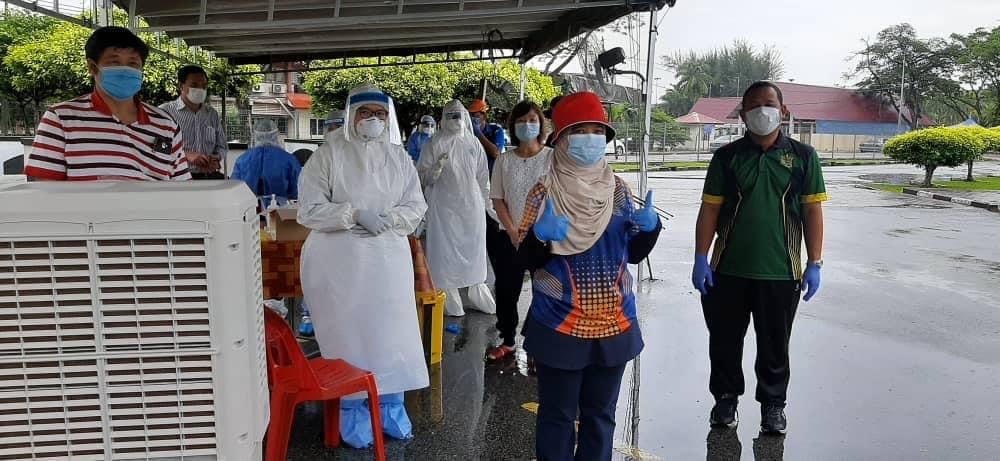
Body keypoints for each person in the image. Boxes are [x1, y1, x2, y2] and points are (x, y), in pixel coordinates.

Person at [514, 91, 662, 460]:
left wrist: (650, 229)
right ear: (561, 139)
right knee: (557, 416)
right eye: (581, 131)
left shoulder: (618, 191)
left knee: (600, 417)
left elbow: (633, 254)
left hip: (614, 324)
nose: (591, 139)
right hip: (559, 324)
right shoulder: (544, 192)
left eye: (598, 132)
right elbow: (525, 260)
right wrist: (539, 237)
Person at [297, 84, 429, 448]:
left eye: (380, 113)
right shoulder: (328, 155)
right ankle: (352, 408)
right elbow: (308, 209)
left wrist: (390, 220)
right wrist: (352, 214)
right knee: (350, 336)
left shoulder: (399, 157)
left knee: (391, 333)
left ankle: (390, 405)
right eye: (366, 113)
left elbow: (416, 204)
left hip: (387, 262)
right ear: (351, 115)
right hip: (341, 264)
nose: (373, 120)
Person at [692, 81, 827, 435]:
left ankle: (773, 406)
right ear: (743, 114)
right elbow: (710, 209)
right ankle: (725, 400)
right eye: (753, 105)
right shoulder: (727, 157)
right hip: (727, 270)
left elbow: (812, 212)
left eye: (768, 103)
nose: (761, 111)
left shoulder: (803, 157)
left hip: (781, 271)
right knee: (724, 341)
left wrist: (814, 262)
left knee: (775, 345)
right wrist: (700, 257)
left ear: (783, 111)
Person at [24, 26, 190, 181]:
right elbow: (46, 191)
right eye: (114, 62)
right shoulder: (60, 119)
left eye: (133, 63)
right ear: (92, 67)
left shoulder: (166, 125)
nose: (125, 70)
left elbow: (181, 188)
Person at [485, 100, 553, 362]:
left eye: (532, 120)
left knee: (543, 293)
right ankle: (508, 340)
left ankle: (537, 346)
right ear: (513, 126)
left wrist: (536, 231)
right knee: (506, 291)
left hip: (543, 238)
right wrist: (513, 231)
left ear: (541, 124)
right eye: (522, 121)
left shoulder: (551, 157)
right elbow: (497, 198)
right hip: (508, 236)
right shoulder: (504, 160)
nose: (527, 125)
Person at [416, 100, 495, 317]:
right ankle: (449, 297)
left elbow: (483, 178)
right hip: (443, 208)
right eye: (451, 116)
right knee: (445, 252)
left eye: (459, 115)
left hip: (471, 206)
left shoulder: (473, 143)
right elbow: (421, 176)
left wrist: (487, 205)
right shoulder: (434, 143)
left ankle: (477, 291)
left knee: (474, 251)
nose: (456, 120)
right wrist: (434, 171)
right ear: (443, 118)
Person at [159, 64, 227, 179]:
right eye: (194, 85)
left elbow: (222, 146)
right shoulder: (165, 112)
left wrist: (216, 158)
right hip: (177, 179)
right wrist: (186, 155)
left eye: (204, 86)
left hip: (208, 176)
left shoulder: (212, 114)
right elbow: (157, 147)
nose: (200, 90)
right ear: (181, 86)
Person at [231, 119, 301, 207]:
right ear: (275, 135)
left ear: (256, 136)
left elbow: (233, 188)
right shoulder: (289, 160)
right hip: (281, 211)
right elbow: (298, 191)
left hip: (249, 210)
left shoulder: (242, 160)